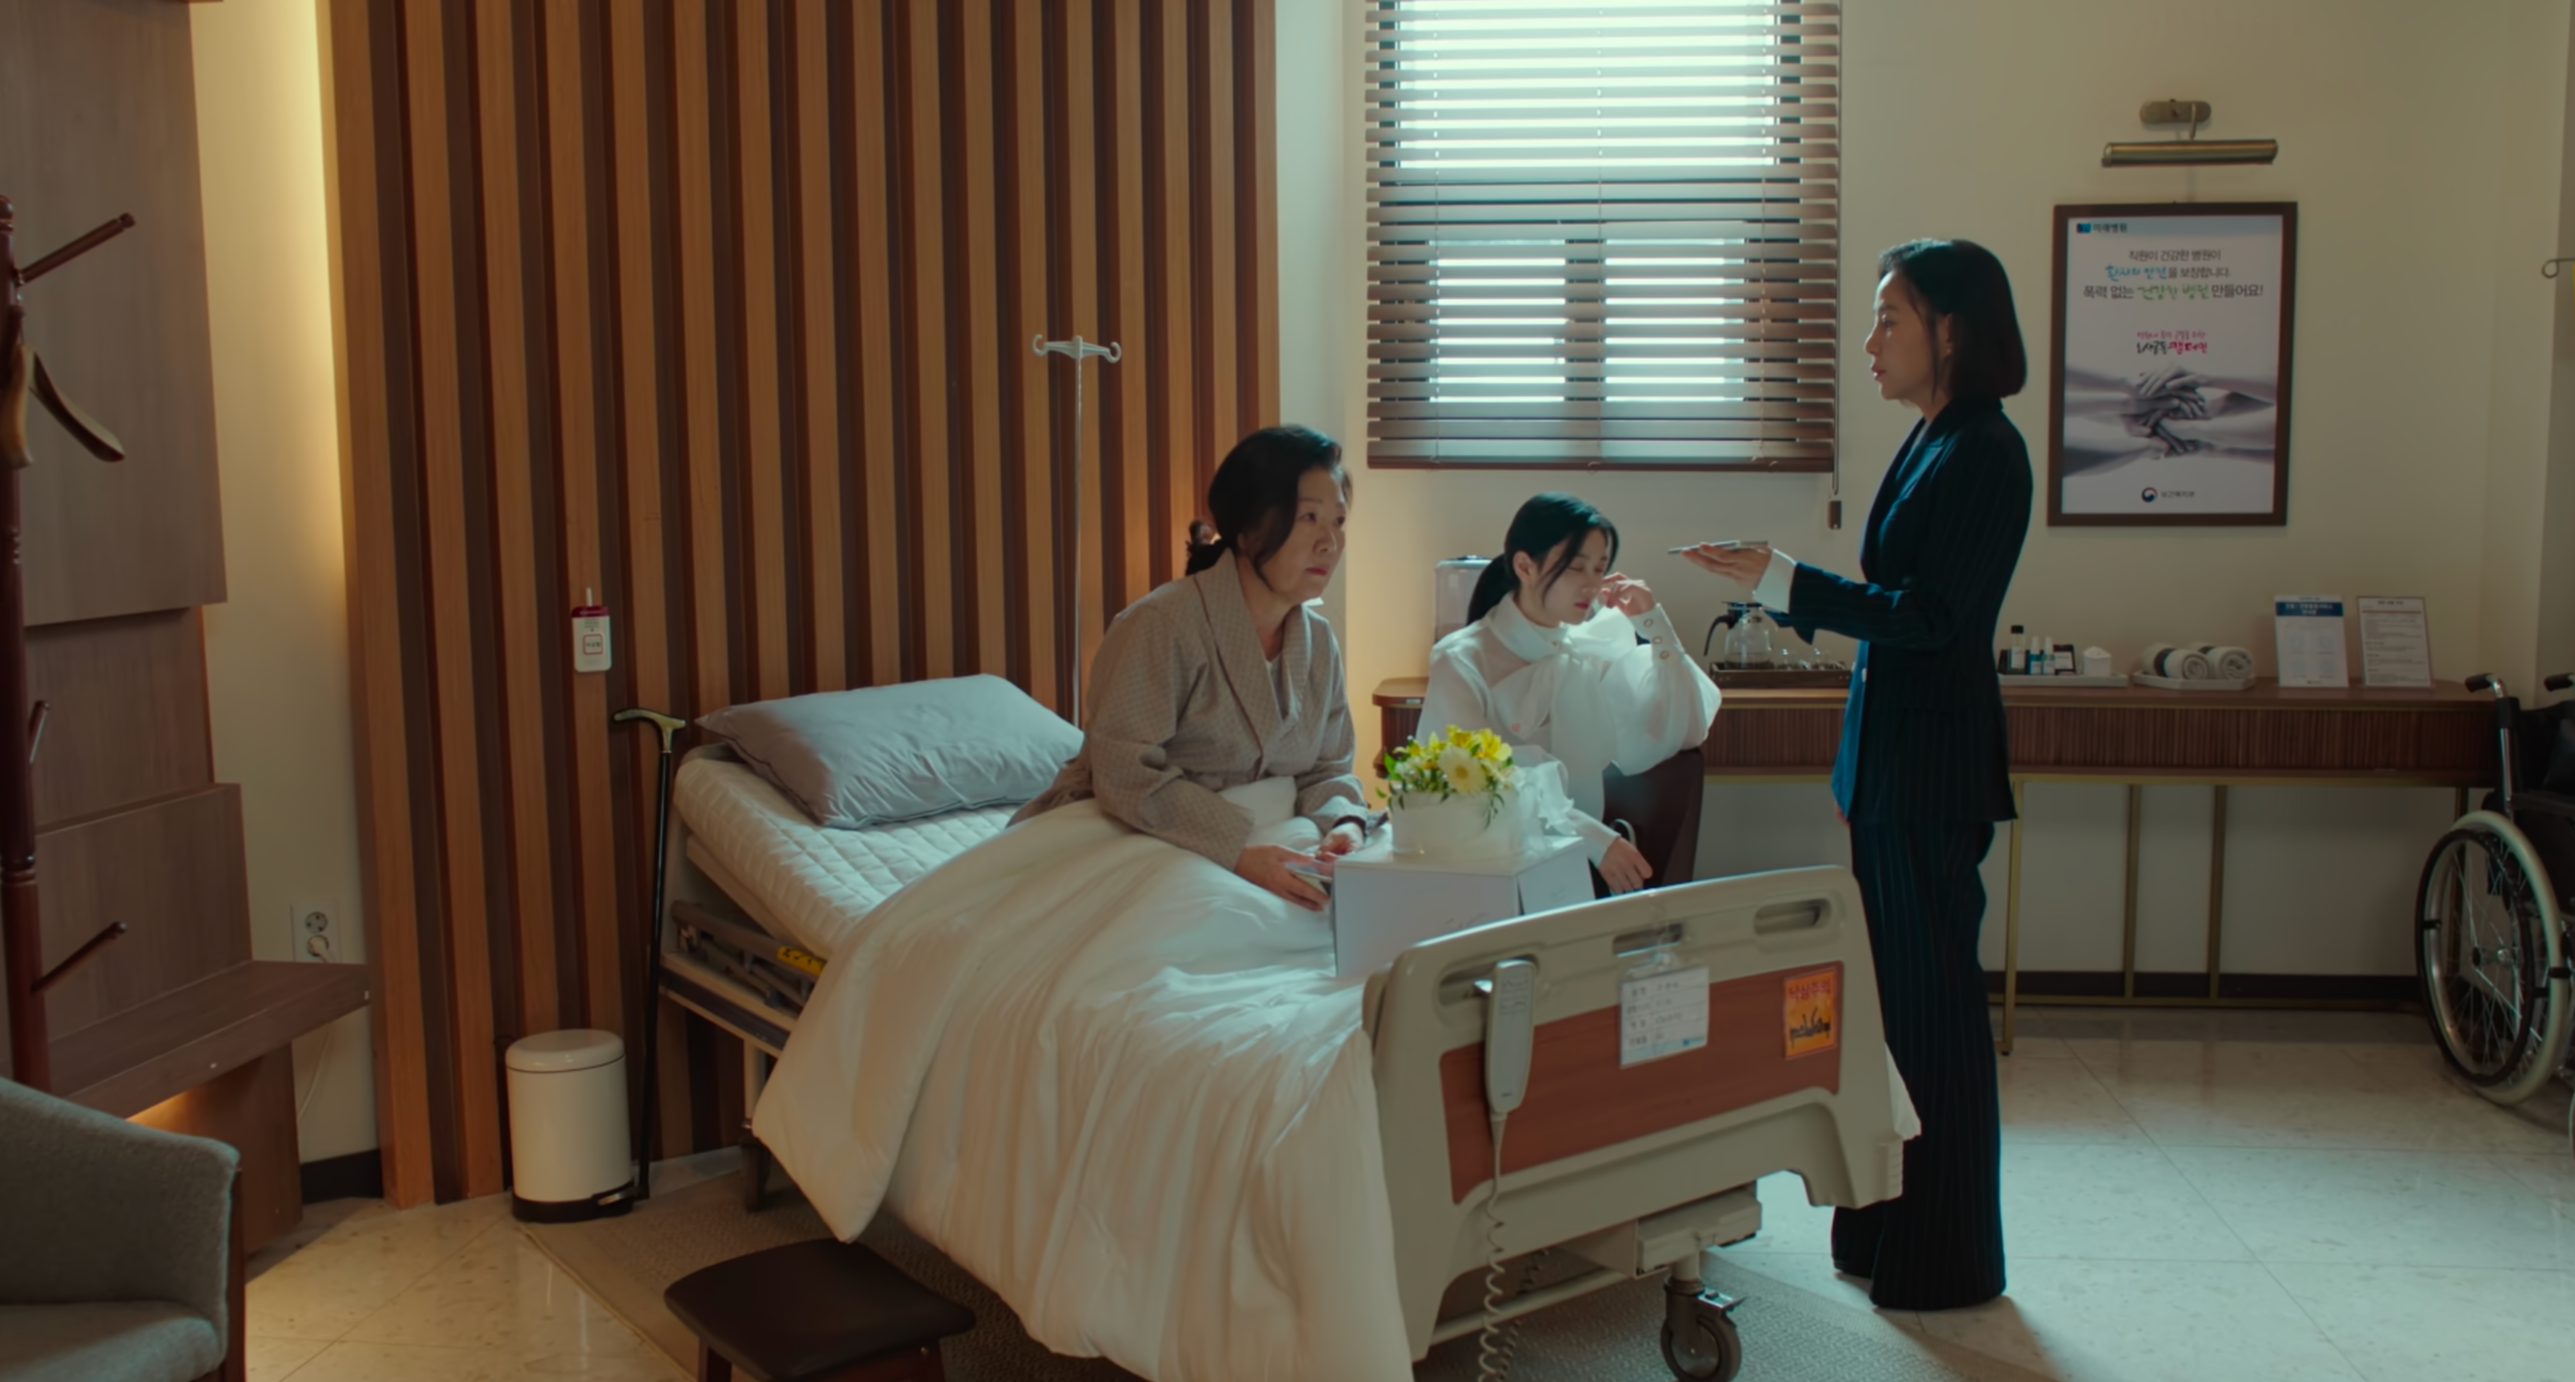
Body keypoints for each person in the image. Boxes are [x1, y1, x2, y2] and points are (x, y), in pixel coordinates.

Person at [1680, 238, 2033, 1312]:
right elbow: (1893, 622)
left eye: (1891, 317)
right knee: (1891, 1014)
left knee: (1934, 1020)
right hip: (1894, 769)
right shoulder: (1932, 437)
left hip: (1931, 774)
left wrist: (1785, 580)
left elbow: (1930, 618)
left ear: (1951, 330)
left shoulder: (1986, 449)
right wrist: (1854, 771)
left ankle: (1947, 1260)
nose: (1870, 339)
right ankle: (1883, 1232)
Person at [1015, 424, 1370, 912]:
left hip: (1277, 843)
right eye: (1309, 517)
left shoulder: (1320, 643)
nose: (1330, 541)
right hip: (1151, 836)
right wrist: (1238, 852)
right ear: (1248, 527)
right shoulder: (1162, 625)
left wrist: (1345, 824)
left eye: (1339, 521)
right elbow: (1125, 772)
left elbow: (1328, 768)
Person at [1419, 493, 1720, 895]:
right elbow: (1479, 784)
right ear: (1525, 566)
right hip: (1488, 869)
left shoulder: (1589, 647)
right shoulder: (1461, 660)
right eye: (1576, 567)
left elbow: (1686, 728)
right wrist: (1593, 838)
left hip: (1578, 865)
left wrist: (1655, 625)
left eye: (1600, 568)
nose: (1592, 584)